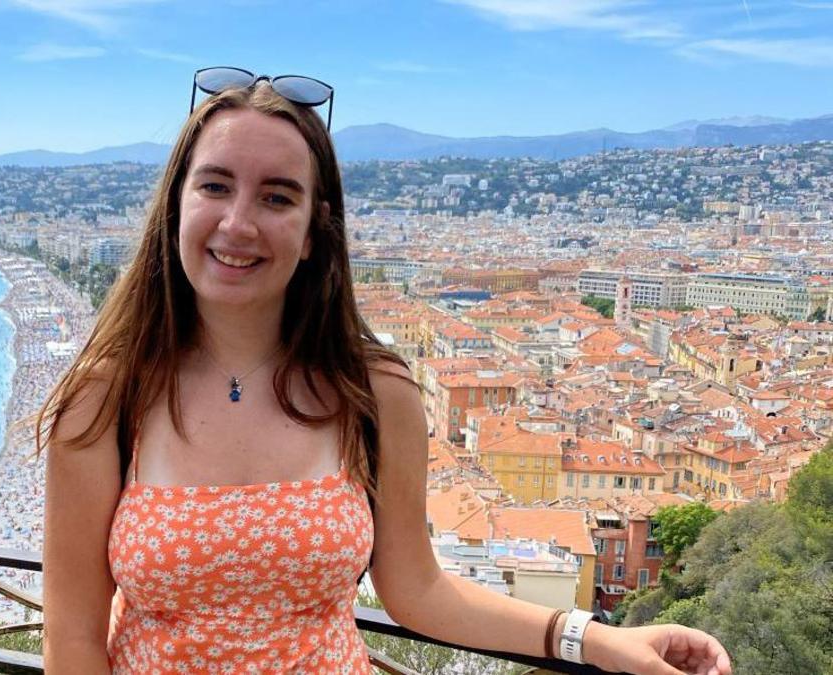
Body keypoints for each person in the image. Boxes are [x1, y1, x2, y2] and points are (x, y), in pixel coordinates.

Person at [37, 67, 734, 674]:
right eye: (215, 186)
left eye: (277, 197)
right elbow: (72, 638)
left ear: (313, 232)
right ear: (176, 207)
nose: (238, 223)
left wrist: (593, 638)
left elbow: (418, 588)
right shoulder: (106, 396)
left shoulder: (372, 392)